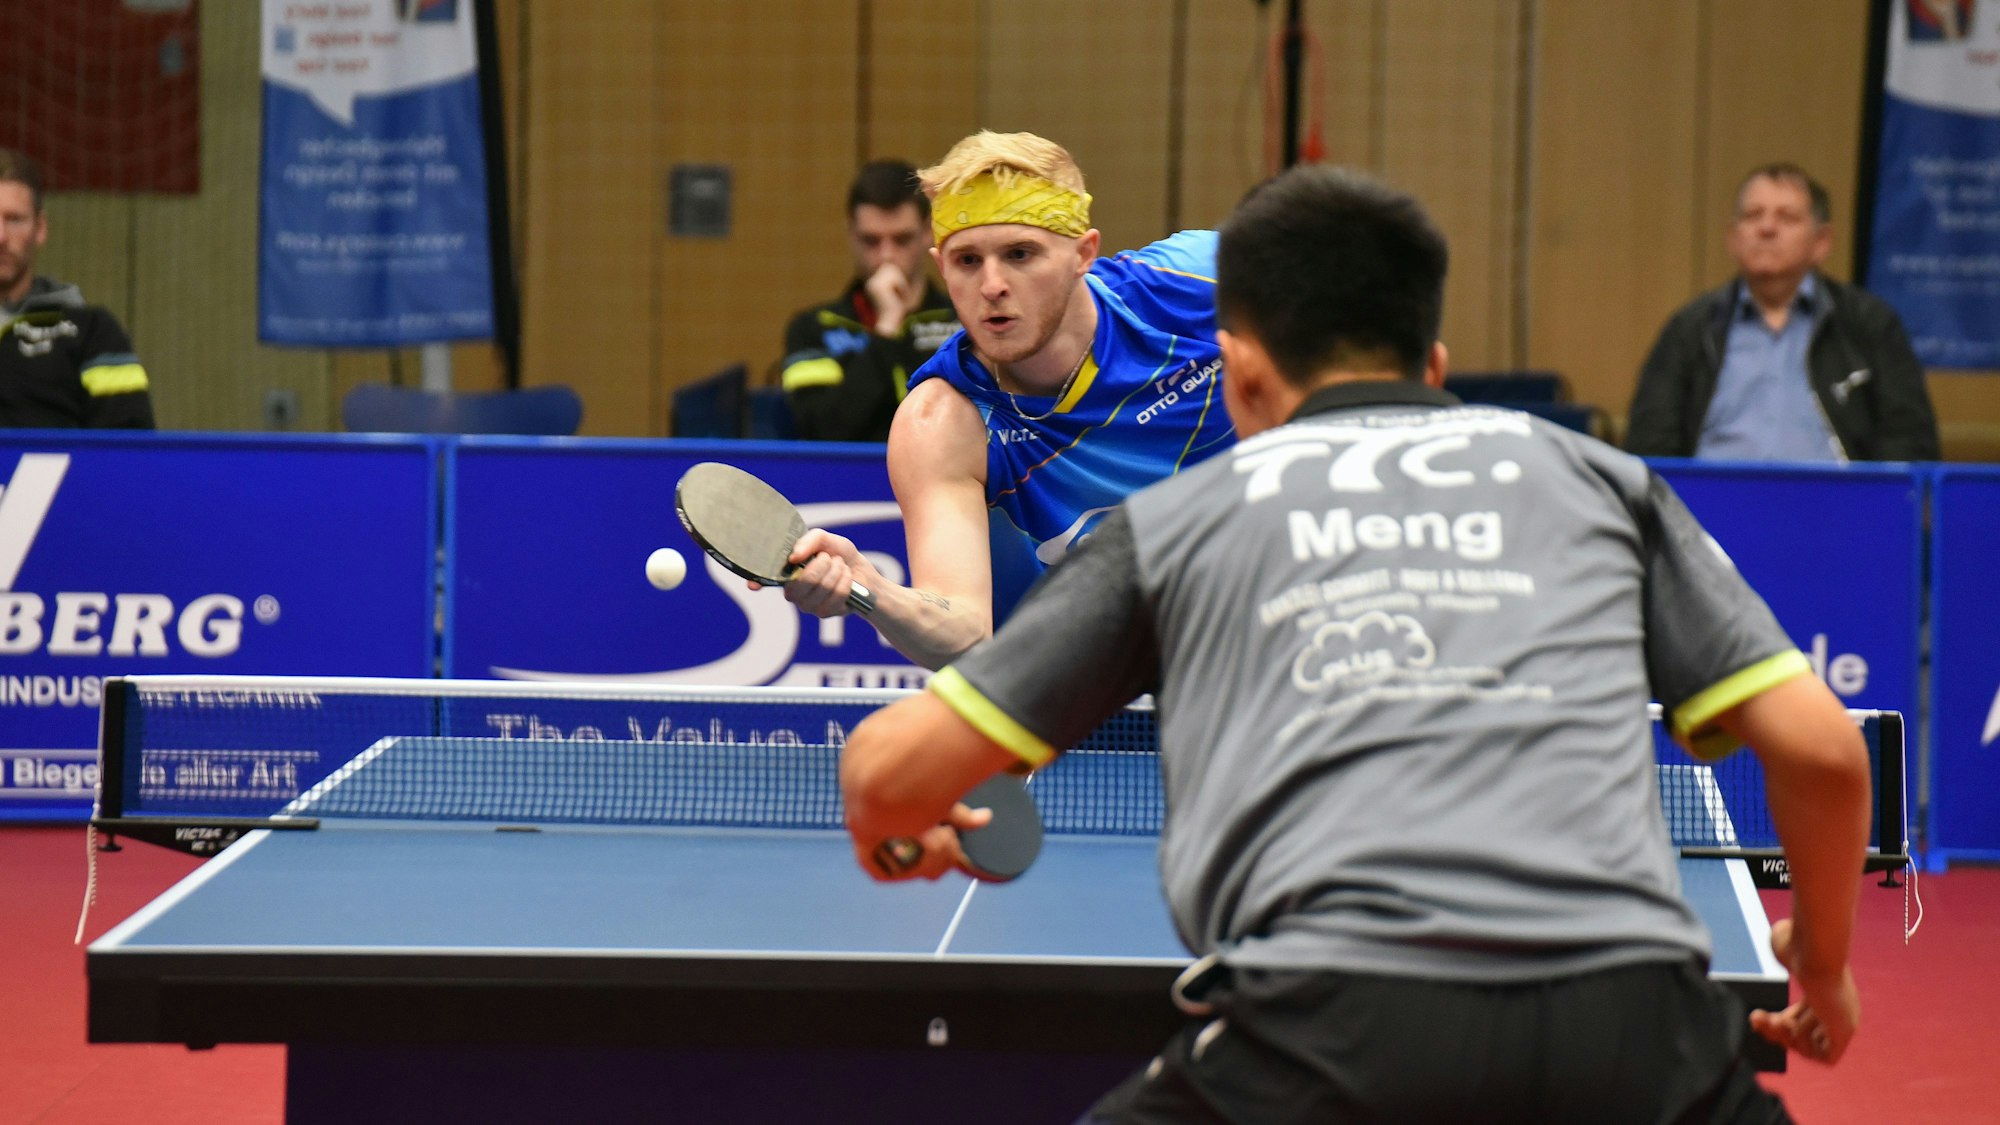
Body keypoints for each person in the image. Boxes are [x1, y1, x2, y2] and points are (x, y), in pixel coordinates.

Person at [840, 166, 1871, 1122]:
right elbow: (1823, 753)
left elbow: (889, 772)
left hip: (1321, 1031)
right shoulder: (1598, 481)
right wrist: (1818, 965)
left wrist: (897, 819)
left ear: (1241, 383)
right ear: (1434, 367)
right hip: (1637, 1029)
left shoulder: (1173, 530)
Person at [779, 132, 1234, 669]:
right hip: (1075, 699)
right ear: (941, 266)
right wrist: (871, 590)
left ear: (1083, 253)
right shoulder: (943, 424)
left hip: (1240, 656)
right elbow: (964, 631)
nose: (992, 284)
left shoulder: (1196, 281)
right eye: (967, 260)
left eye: (1020, 254)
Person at [1625, 163, 1937, 462]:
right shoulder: (1691, 329)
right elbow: (1650, 447)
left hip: (1836, 509)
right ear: (1733, 238)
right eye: (1752, 216)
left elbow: (1908, 444)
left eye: (1787, 218)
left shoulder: (1869, 324)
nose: (1767, 228)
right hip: (1710, 510)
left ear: (1821, 242)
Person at [778, 159, 960, 443]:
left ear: (928, 231)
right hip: (847, 483)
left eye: (902, 240)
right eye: (871, 241)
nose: (886, 256)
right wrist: (886, 329)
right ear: (852, 234)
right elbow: (819, 431)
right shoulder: (811, 328)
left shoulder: (962, 322)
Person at [0, 148, 154, 429]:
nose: (1, 236)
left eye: (14, 219)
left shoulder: (94, 333)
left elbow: (130, 455)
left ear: (41, 228)